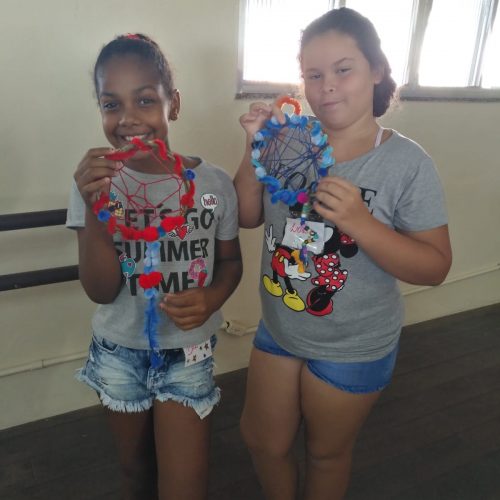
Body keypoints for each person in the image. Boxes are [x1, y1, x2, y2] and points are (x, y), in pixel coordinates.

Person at [234, 8, 451, 500]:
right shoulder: (288, 139)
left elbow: (436, 266)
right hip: (282, 325)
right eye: (313, 74)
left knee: (326, 455)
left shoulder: (406, 162)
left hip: (354, 345)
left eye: (343, 69)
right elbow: (246, 215)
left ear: (376, 70)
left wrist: (360, 223)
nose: (326, 85)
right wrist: (254, 148)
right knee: (263, 440)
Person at [66, 34, 242, 500]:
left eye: (145, 100)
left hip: (187, 354)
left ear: (173, 103)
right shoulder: (93, 182)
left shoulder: (214, 183)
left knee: (184, 483)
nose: (127, 118)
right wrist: (94, 207)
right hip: (118, 353)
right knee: (135, 472)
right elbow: (101, 290)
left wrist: (212, 299)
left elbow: (230, 263)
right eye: (111, 103)